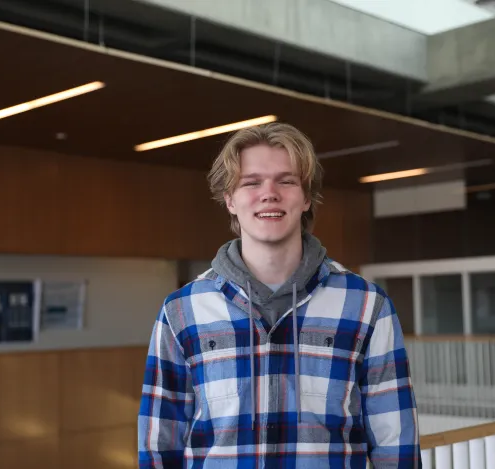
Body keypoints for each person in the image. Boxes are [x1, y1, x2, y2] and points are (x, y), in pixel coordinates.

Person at [138, 122, 421, 468]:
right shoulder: (181, 311)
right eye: (251, 182)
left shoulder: (366, 306)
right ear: (229, 199)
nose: (269, 193)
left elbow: (396, 445)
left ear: (306, 198)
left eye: (286, 181)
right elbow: (159, 445)